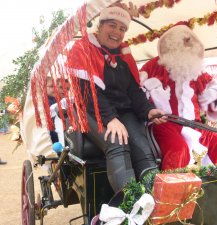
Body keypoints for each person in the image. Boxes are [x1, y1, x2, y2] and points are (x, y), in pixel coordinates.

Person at [66, 5, 166, 192]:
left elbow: (133, 91)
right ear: (100, 25)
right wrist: (110, 119)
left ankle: (153, 199)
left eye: (122, 29)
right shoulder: (82, 49)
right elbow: (86, 92)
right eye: (112, 25)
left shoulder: (123, 54)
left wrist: (148, 110)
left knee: (143, 147)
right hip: (90, 109)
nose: (117, 33)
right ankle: (129, 204)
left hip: (122, 110)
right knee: (116, 142)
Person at [140, 24, 217, 170]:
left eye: (188, 44)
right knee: (178, 150)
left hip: (194, 125)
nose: (184, 48)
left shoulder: (196, 69)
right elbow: (137, 88)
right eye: (179, 44)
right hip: (166, 122)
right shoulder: (155, 64)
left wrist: (213, 93)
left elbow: (214, 87)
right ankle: (172, 191)